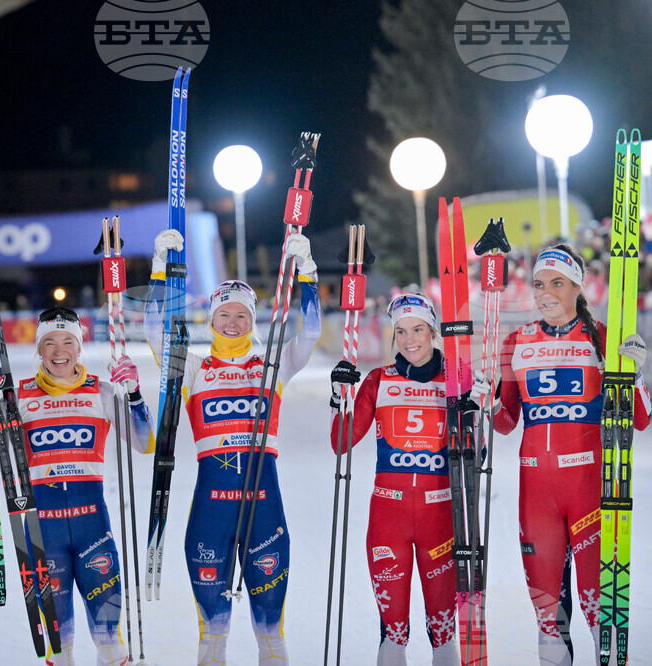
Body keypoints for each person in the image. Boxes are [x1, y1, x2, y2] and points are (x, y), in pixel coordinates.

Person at [144, 230, 322, 664]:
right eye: (225, 314)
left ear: (252, 320)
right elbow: (153, 327)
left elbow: (312, 331)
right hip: (211, 509)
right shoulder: (192, 369)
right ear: (212, 319)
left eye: (242, 315)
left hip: (265, 507)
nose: (233, 322)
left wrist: (308, 273)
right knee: (212, 636)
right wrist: (158, 269)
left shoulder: (273, 364)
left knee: (271, 634)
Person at [481, 245, 650, 664]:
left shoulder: (604, 336)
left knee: (601, 612)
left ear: (579, 286)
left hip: (589, 490)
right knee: (548, 619)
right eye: (539, 284)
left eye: (557, 283)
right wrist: (487, 403)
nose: (546, 293)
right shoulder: (514, 342)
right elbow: (506, 422)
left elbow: (642, 420)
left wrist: (638, 375)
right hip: (536, 493)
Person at [15, 305, 153, 666]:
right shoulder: (19, 397)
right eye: (49, 343)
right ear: (39, 350)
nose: (59, 351)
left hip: (93, 527)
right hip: (44, 531)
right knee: (60, 648)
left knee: (111, 643)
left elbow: (145, 443)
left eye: (67, 342)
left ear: (80, 346)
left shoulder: (103, 392)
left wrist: (134, 394)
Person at [328, 293, 459, 665]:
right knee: (393, 633)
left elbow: (476, 452)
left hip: (440, 518)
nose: (409, 339)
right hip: (389, 519)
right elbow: (340, 442)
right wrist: (340, 398)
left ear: (432, 331)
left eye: (418, 329)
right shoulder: (378, 380)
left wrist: (481, 404)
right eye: (401, 331)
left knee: (444, 630)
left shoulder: (455, 381)